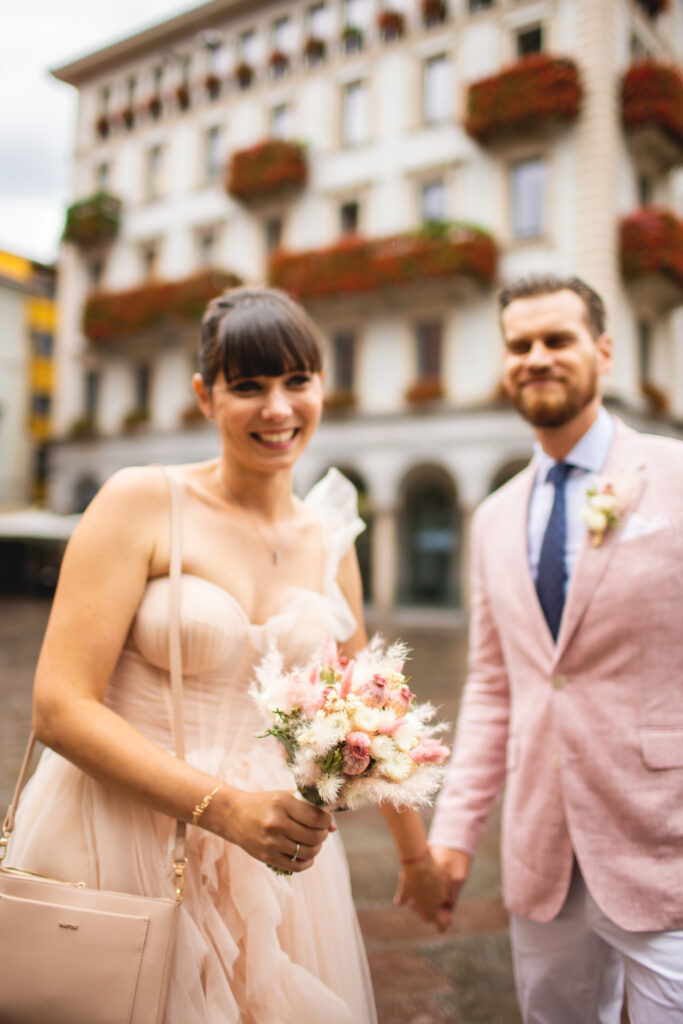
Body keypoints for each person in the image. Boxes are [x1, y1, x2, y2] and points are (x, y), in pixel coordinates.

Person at [5, 286, 447, 1023]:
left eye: (295, 381)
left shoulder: (329, 542)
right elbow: (58, 707)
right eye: (247, 386)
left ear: (320, 388)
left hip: (276, 852)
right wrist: (227, 809)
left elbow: (370, 712)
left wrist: (415, 857)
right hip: (124, 827)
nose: (277, 409)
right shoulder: (140, 501)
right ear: (204, 396)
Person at [422, 273, 683, 1023]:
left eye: (556, 340)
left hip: (662, 843)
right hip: (540, 853)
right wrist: (453, 837)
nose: (535, 356)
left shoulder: (673, 474)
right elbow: (491, 686)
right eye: (518, 345)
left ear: (602, 350)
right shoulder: (493, 517)